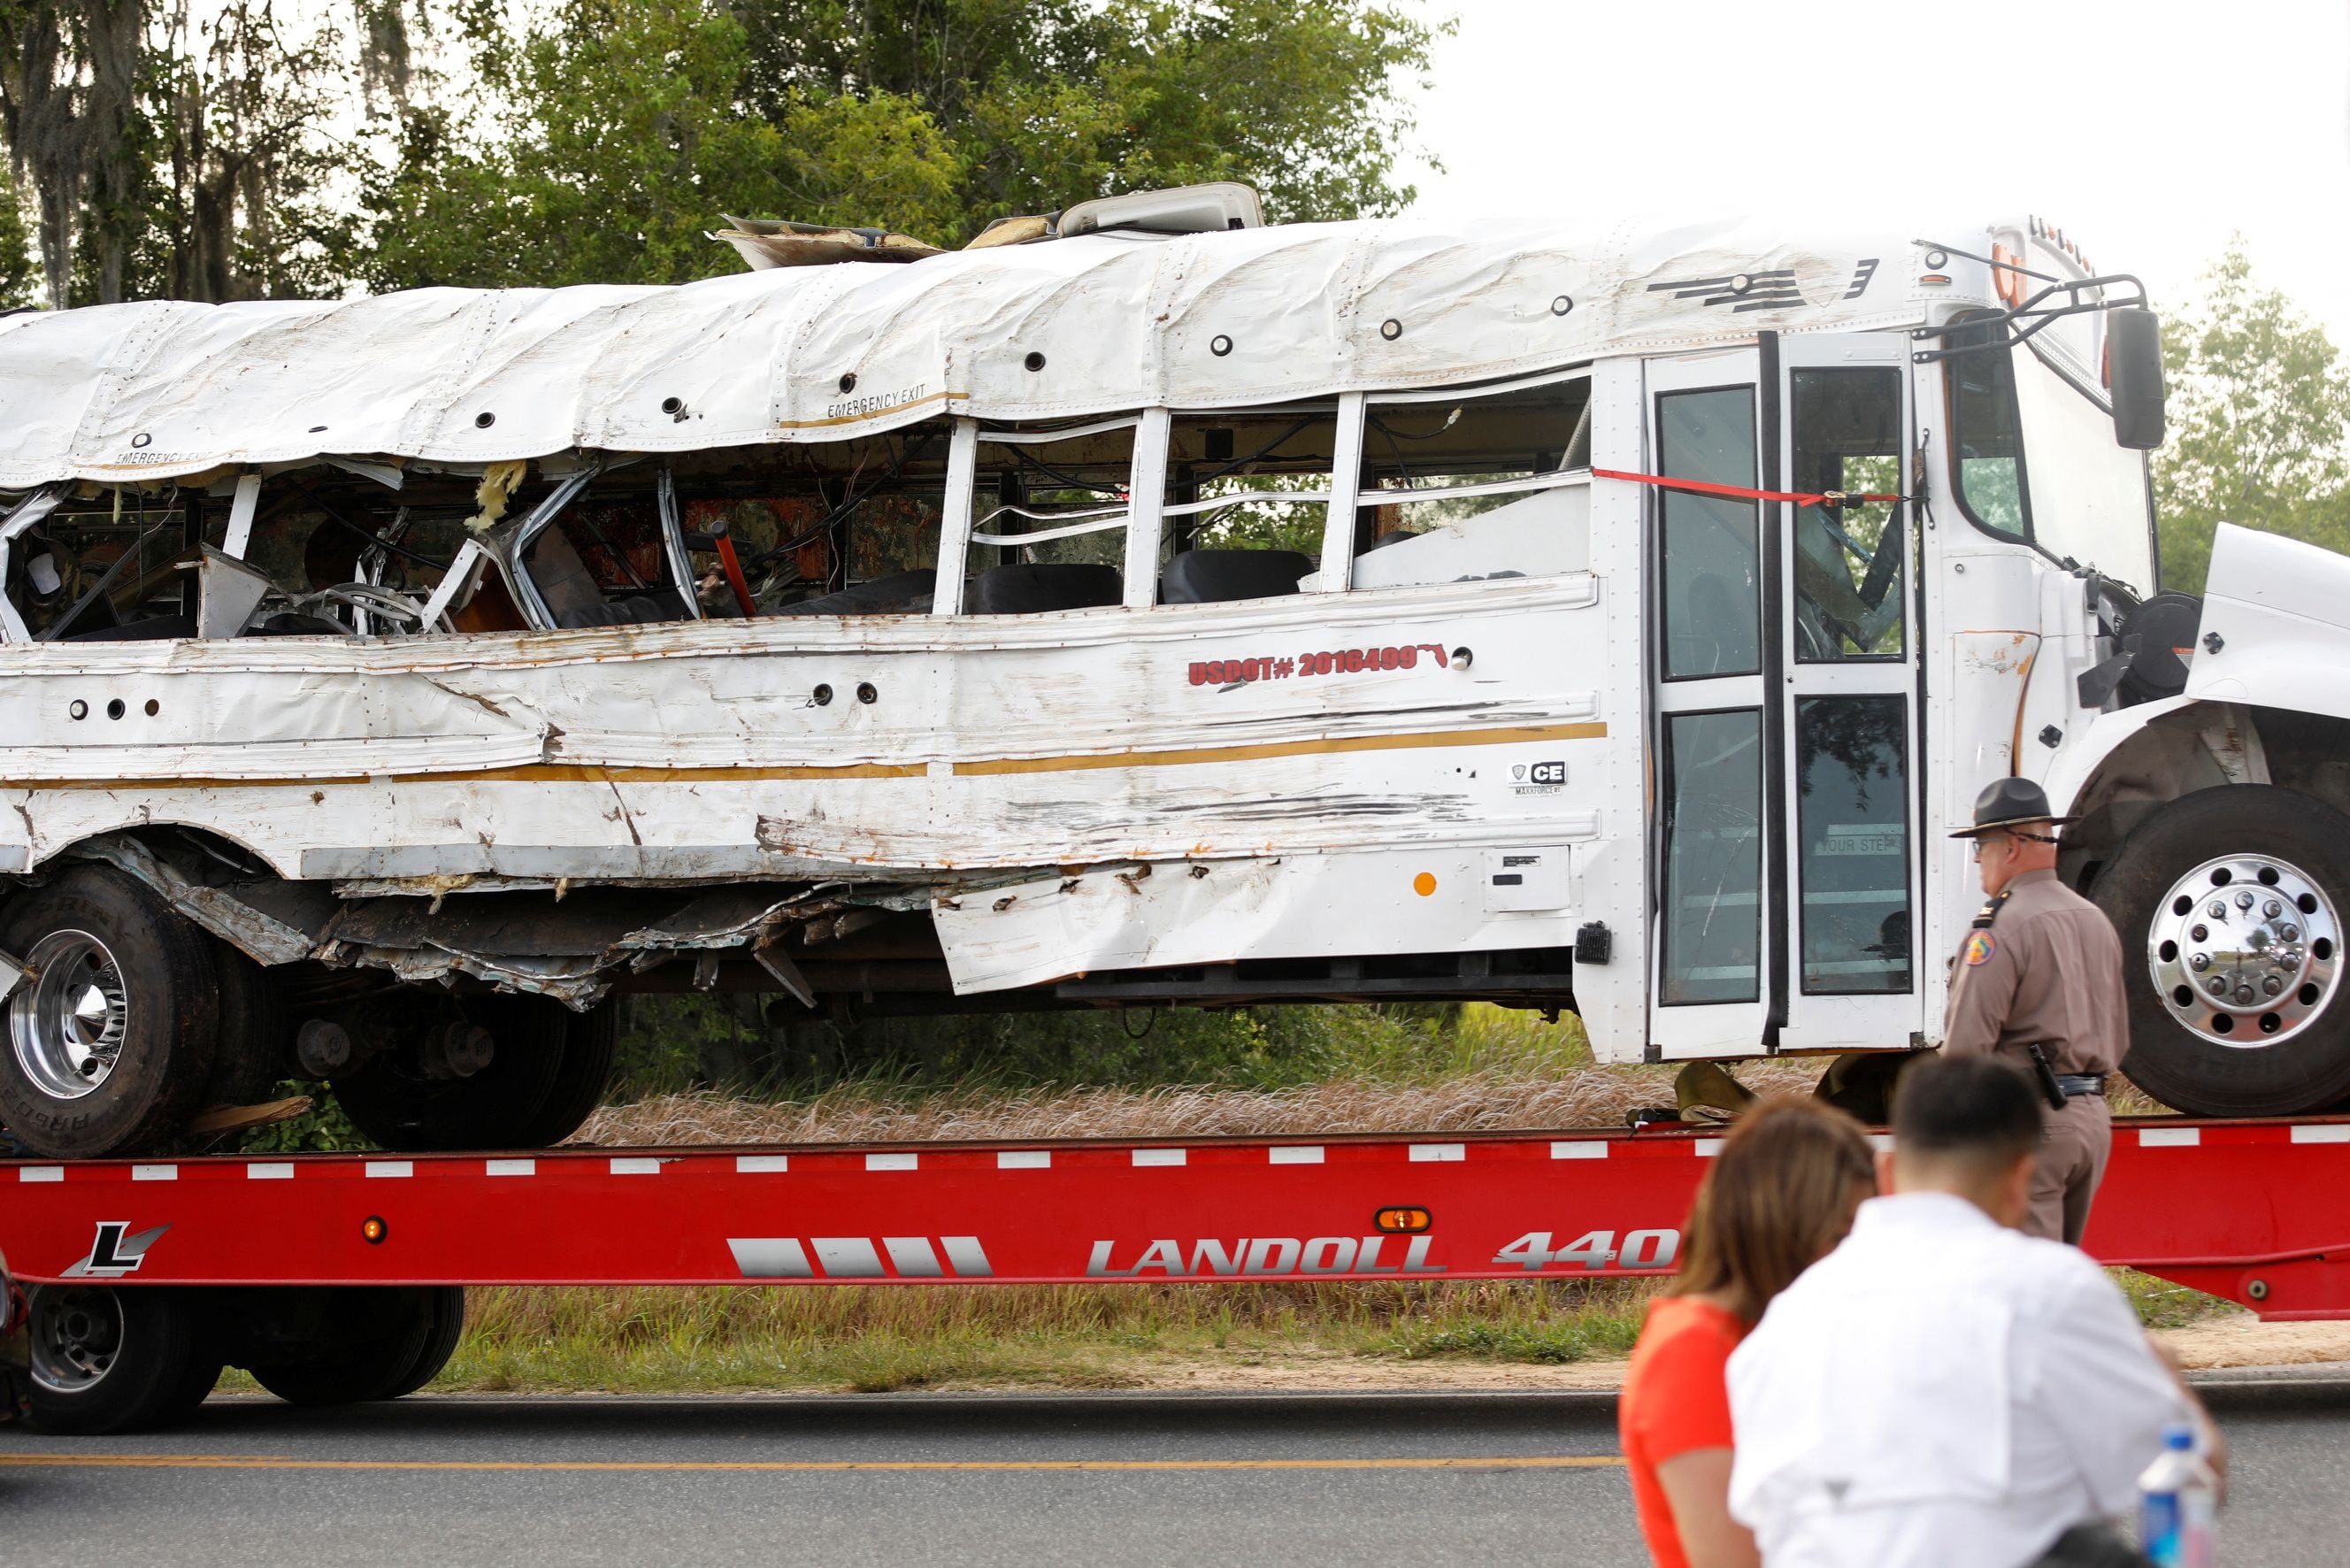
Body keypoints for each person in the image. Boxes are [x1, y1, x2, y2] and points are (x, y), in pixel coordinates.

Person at [1726, 1054, 2225, 1568]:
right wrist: (2170, 1386)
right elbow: (2187, 1477)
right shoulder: (2051, 1289)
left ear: (1887, 1169)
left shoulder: (1783, 1319)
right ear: (2020, 1180)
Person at [1620, 1097, 1878, 1568]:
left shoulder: (1762, 1331)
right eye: (1840, 1238)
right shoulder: (1693, 1349)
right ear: (1781, 1226)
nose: (1853, 1259)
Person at [1944, 776, 2131, 1243]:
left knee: (2025, 1283)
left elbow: (1965, 1051)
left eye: (1980, 847)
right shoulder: (2094, 919)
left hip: (2032, 1120)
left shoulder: (1999, 928)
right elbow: (2120, 1036)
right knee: (2060, 1274)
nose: (1977, 860)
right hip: (2092, 1118)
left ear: (2009, 848)